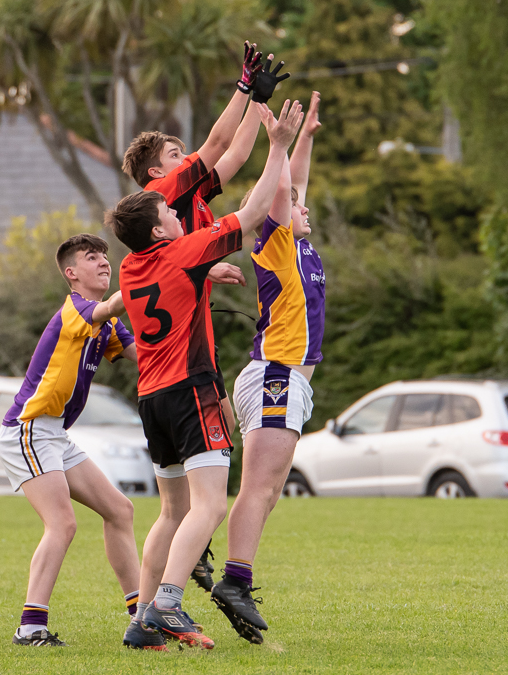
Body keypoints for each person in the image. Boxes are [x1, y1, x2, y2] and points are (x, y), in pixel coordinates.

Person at [105, 98, 304, 651]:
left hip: (150, 397)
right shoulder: (181, 250)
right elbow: (257, 211)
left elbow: (170, 273)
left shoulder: (132, 263)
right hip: (192, 390)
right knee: (210, 505)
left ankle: (141, 620)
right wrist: (280, 147)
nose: (177, 214)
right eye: (169, 214)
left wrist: (204, 266)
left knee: (171, 512)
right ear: (162, 230)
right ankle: (169, 602)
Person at [211, 92, 325, 645]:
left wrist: (303, 140)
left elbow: (293, 185)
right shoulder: (276, 240)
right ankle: (234, 580)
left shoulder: (299, 246)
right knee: (256, 488)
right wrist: (278, 142)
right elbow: (282, 189)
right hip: (276, 373)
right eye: (297, 205)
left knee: (270, 489)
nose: (306, 207)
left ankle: (231, 576)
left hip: (287, 377)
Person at [0, 234, 140, 647]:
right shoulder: (78, 310)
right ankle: (29, 627)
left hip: (54, 433)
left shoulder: (105, 322)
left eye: (105, 257)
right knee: (62, 523)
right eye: (92, 258)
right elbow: (113, 304)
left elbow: (144, 356)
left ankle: (141, 615)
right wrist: (155, 269)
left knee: (120, 510)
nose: (103, 263)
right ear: (71, 274)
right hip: (28, 428)